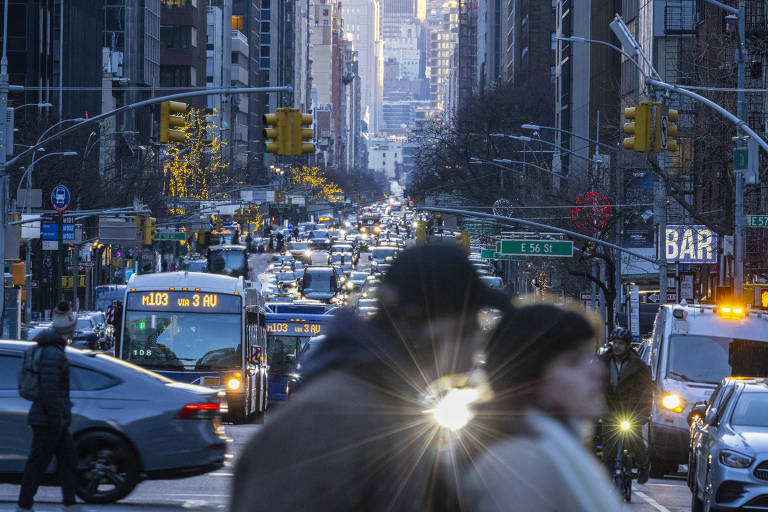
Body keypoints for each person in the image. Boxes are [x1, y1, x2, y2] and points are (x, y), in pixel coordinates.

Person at [231, 244, 509, 511]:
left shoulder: (392, 406)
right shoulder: (329, 420)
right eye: (468, 328)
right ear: (416, 325)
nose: (477, 341)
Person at [463, 305, 623, 511]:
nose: (598, 370)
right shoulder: (522, 461)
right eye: (573, 362)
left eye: (590, 357)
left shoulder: (554, 444)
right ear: (530, 381)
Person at [17, 302, 83, 512]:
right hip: (48, 420)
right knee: (39, 463)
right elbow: (49, 390)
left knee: (66, 459)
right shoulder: (53, 353)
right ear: (67, 330)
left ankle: (69, 502)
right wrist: (57, 421)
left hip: (50, 418)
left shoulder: (53, 349)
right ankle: (25, 505)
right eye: (72, 329)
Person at [601, 326, 653, 484]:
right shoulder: (602, 363)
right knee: (607, 448)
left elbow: (645, 392)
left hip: (631, 412)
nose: (616, 346)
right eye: (614, 342)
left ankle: (644, 467)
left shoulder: (639, 367)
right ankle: (606, 478)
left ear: (628, 345)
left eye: (620, 343)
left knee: (635, 441)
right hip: (609, 411)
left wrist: (644, 413)